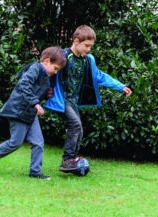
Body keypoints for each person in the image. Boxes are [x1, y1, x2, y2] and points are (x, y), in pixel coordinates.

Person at [44, 25, 132, 174]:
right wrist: (46, 90)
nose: (89, 49)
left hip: (73, 101)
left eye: (91, 46)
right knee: (75, 125)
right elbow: (48, 71)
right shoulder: (64, 56)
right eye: (86, 46)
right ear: (76, 41)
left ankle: (71, 161)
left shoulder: (88, 60)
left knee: (79, 130)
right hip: (62, 99)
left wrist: (120, 86)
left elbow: (99, 76)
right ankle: (67, 160)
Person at [0, 46, 67, 180]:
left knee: (38, 142)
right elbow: (24, 84)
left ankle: (35, 172)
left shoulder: (45, 76)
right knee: (16, 142)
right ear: (46, 61)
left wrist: (46, 95)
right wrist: (36, 103)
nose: (55, 72)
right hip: (17, 110)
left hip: (30, 113)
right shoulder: (35, 68)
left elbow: (35, 91)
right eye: (55, 68)